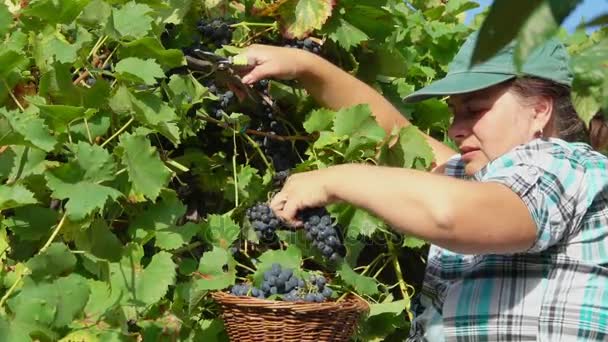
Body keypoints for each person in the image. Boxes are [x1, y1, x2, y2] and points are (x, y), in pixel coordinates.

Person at [238, 31, 608, 341]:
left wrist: (334, 178)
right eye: (454, 111)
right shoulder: (474, 180)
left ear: (539, 110)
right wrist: (304, 66)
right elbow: (395, 135)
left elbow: (451, 215)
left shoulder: (566, 166)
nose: (455, 128)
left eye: (474, 109)